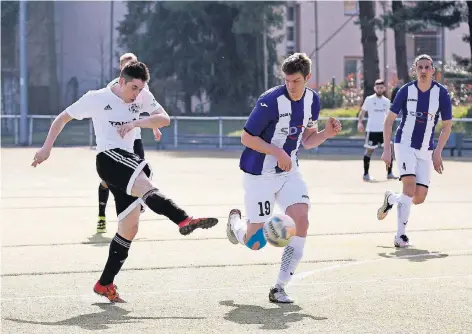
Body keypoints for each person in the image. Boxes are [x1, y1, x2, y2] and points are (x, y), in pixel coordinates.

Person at [32, 61, 218, 302]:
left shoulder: (142, 96)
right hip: (109, 158)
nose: (137, 94)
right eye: (133, 88)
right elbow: (61, 119)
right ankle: (184, 219)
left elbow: (164, 119)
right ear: (121, 82)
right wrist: (46, 149)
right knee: (145, 182)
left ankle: (104, 284)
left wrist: (137, 123)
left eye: (141, 89)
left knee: (129, 228)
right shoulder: (96, 98)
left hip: (127, 159)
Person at [225, 53, 342, 304]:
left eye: (296, 81)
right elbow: (246, 138)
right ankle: (236, 225)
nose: (291, 85)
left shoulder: (313, 100)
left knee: (301, 220)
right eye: (287, 80)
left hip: (290, 171)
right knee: (255, 243)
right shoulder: (270, 101)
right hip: (260, 174)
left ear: (307, 78)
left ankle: (279, 287)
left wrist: (326, 134)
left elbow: (308, 141)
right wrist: (277, 151)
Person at [377, 54, 452, 248]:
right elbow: (389, 121)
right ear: (415, 69)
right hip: (405, 144)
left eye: (427, 67)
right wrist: (387, 149)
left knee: (418, 198)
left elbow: (447, 126)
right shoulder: (406, 91)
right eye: (420, 67)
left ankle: (391, 198)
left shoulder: (441, 93)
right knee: (409, 189)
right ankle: (400, 236)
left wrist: (437, 152)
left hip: (426, 150)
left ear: (433, 70)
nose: (424, 71)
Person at [96, 52, 162, 233]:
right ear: (121, 69)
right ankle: (101, 215)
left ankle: (137, 203)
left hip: (135, 137)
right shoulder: (113, 87)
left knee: (141, 172)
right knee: (107, 181)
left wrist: (155, 127)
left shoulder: (142, 87)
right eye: (126, 64)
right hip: (115, 142)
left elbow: (152, 111)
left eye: (132, 63)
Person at [357, 79, 398, 182]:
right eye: (377, 87)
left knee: (389, 150)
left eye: (381, 88)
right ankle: (366, 174)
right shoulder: (369, 99)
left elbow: (390, 116)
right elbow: (362, 112)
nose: (379, 89)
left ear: (384, 88)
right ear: (375, 88)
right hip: (372, 130)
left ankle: (389, 173)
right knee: (369, 151)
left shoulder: (387, 101)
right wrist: (360, 123)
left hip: (383, 131)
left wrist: (390, 128)